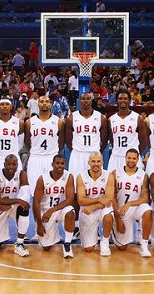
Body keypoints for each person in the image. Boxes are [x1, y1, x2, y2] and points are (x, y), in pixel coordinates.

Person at [65, 92, 108, 236]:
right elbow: (67, 139)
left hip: (93, 155)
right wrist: (78, 150)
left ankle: (94, 226)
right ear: (79, 101)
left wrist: (95, 152)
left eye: (87, 98)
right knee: (76, 192)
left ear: (92, 100)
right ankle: (77, 226)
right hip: (77, 155)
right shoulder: (72, 118)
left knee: (94, 191)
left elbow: (104, 138)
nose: (85, 101)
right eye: (82, 99)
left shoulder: (101, 118)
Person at [112, 148, 153, 257]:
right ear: (125, 158)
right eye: (129, 158)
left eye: (134, 158)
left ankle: (144, 245)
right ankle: (114, 230)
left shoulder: (143, 175)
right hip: (120, 210)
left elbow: (145, 198)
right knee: (122, 247)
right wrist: (117, 217)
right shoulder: (115, 173)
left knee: (148, 210)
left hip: (134, 207)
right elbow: (112, 197)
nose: (131, 160)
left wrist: (129, 204)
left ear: (138, 159)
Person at [0, 155, 30, 257]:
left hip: (11, 206)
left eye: (13, 164)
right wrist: (18, 200)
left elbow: (26, 198)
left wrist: (10, 205)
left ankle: (19, 243)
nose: (11, 167)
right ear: (4, 164)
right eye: (8, 164)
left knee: (24, 208)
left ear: (17, 165)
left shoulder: (22, 174)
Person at [33, 154, 76, 258]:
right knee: (46, 248)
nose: (59, 166)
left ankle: (67, 245)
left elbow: (70, 199)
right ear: (52, 164)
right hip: (45, 212)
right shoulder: (42, 179)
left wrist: (52, 210)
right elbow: (36, 202)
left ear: (65, 165)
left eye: (62, 163)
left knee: (70, 212)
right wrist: (39, 224)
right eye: (57, 163)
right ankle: (50, 234)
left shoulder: (69, 176)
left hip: (60, 209)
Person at [24, 95, 64, 196]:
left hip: (51, 157)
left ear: (50, 104)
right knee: (34, 192)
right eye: (42, 101)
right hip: (35, 158)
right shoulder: (29, 122)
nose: (44, 103)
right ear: (38, 104)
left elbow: (62, 142)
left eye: (47, 101)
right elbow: (27, 142)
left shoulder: (58, 122)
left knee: (52, 191)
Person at [76, 152, 115, 256]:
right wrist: (99, 199)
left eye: (98, 161)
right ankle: (91, 236)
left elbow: (108, 199)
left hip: (101, 208)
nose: (96, 164)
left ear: (103, 162)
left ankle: (105, 241)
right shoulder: (81, 177)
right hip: (86, 210)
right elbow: (81, 200)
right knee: (88, 249)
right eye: (93, 161)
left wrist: (93, 206)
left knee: (108, 216)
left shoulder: (109, 176)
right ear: (88, 162)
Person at [108, 90, 146, 172]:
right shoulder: (111, 119)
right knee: (113, 183)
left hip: (132, 157)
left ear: (129, 100)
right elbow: (112, 140)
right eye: (120, 98)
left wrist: (136, 153)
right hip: (116, 156)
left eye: (125, 98)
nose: (123, 100)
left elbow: (143, 140)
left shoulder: (137, 118)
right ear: (117, 101)